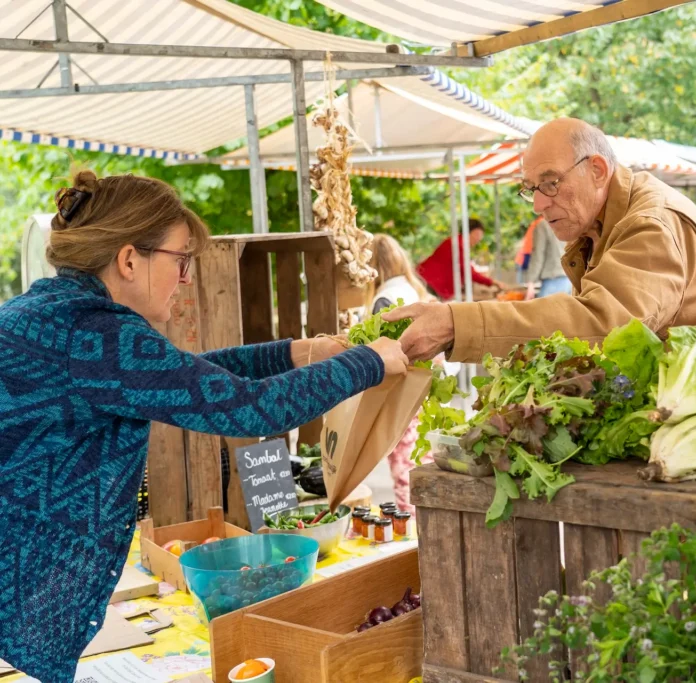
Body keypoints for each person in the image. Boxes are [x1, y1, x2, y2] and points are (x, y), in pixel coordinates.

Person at [0, 171, 409, 681]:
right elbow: (249, 410)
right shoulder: (97, 334)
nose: (187, 277)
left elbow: (186, 378)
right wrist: (370, 361)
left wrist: (298, 352)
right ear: (130, 259)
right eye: (181, 259)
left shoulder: (45, 315)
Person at [386, 118, 696, 363]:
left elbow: (604, 323)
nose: (539, 203)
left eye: (550, 183)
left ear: (597, 170)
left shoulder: (651, 223)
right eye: (531, 188)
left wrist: (455, 322)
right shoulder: (603, 219)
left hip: (689, 418)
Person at [365, 234, 436, 512]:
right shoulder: (413, 289)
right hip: (425, 389)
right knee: (421, 459)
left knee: (403, 466)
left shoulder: (384, 299)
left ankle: (413, 535)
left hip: (402, 395)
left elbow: (385, 355)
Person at [416, 218, 504, 300]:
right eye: (478, 235)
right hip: (429, 283)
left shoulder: (457, 242)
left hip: (428, 281)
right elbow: (468, 272)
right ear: (472, 232)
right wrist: (492, 282)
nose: (479, 239)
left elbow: (466, 269)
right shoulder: (458, 245)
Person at [524, 218, 572, 299]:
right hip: (569, 279)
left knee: (542, 311)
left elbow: (538, 255)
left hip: (553, 280)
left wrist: (531, 282)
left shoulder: (543, 225)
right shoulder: (569, 223)